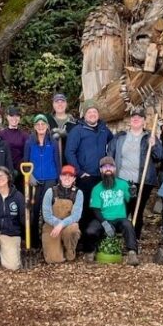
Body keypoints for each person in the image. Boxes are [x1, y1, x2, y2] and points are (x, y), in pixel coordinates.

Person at [65, 100, 113, 245]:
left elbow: (113, 143)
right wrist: (79, 172)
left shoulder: (104, 130)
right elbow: (69, 152)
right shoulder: (77, 131)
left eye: (95, 112)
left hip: (101, 177)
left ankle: (98, 239)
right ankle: (83, 242)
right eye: (89, 112)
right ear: (84, 115)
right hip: (85, 177)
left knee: (100, 208)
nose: (92, 114)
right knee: (85, 208)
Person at [106, 106, 158, 236]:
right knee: (121, 209)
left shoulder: (149, 137)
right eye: (133, 117)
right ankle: (118, 237)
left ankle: (134, 240)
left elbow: (160, 156)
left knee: (137, 210)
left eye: (139, 117)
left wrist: (154, 145)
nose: (136, 119)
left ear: (144, 121)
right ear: (130, 120)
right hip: (121, 180)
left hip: (143, 181)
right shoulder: (120, 137)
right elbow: (110, 155)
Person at [86, 156, 140, 265]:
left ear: (115, 169)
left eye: (110, 166)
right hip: (103, 218)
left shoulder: (123, 184)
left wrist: (133, 194)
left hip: (120, 218)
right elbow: (95, 209)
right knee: (90, 231)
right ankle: (91, 252)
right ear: (101, 170)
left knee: (128, 225)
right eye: (105, 167)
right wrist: (104, 223)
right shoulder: (97, 188)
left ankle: (132, 253)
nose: (108, 169)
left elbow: (131, 204)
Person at [23, 114, 60, 249]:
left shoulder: (53, 143)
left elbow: (57, 162)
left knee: (47, 211)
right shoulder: (29, 143)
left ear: (47, 126)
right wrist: (30, 176)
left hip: (50, 179)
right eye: (38, 125)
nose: (40, 127)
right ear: (34, 127)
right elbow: (25, 162)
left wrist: (58, 180)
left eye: (43, 124)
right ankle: (33, 242)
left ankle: (47, 241)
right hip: (35, 181)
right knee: (33, 210)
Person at [41, 165, 83, 263]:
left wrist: (61, 225)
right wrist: (57, 224)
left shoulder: (78, 193)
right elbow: (46, 215)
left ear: (74, 179)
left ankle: (69, 249)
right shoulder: (50, 191)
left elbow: (76, 216)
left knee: (73, 229)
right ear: (60, 177)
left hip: (68, 225)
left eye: (70, 175)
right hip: (51, 226)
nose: (67, 178)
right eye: (64, 175)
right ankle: (58, 249)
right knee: (53, 260)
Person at [1, 106, 27, 171]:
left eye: (17, 116)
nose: (14, 118)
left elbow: (28, 153)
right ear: (7, 117)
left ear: (20, 118)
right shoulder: (1, 134)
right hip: (4, 170)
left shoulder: (24, 135)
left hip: (20, 170)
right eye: (12, 116)